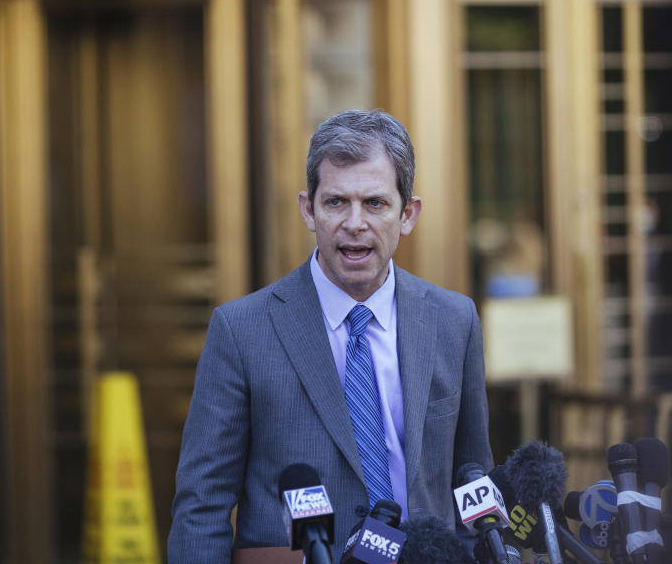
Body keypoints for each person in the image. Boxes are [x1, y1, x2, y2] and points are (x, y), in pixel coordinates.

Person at [167, 109, 492, 563]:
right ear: (308, 209)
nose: (354, 222)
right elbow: (202, 506)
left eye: (375, 204)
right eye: (336, 202)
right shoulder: (241, 331)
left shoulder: (454, 321)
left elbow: (471, 480)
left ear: (408, 214)